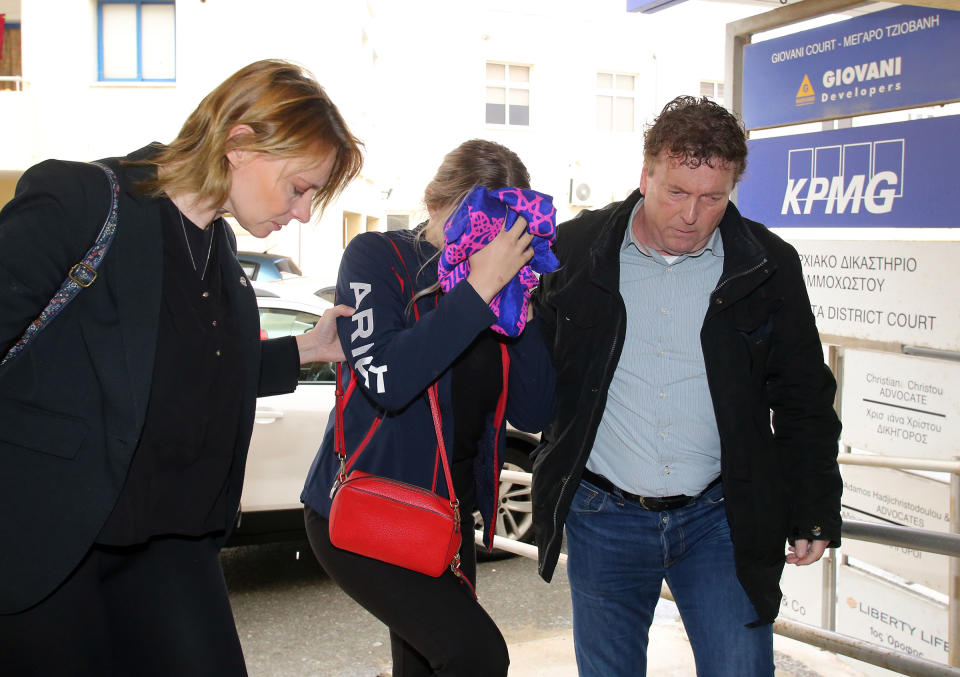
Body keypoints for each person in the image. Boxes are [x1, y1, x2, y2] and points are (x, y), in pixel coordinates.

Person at [0, 59, 363, 675]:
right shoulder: (83, 200)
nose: (304, 212)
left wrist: (305, 351)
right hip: (52, 543)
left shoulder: (219, 248)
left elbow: (189, 371)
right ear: (240, 142)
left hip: (171, 541)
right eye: (300, 187)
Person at [531, 96, 842, 676]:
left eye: (712, 198)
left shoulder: (769, 264)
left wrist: (814, 507)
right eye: (676, 192)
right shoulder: (571, 253)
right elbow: (529, 383)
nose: (692, 215)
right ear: (645, 174)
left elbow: (803, 397)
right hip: (604, 514)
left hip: (722, 518)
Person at [301, 139, 556, 677]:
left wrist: (521, 302)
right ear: (435, 204)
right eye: (470, 222)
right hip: (368, 504)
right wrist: (479, 287)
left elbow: (536, 412)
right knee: (476, 655)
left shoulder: (504, 287)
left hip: (448, 513)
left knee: (424, 665)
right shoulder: (378, 258)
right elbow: (388, 381)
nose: (478, 240)